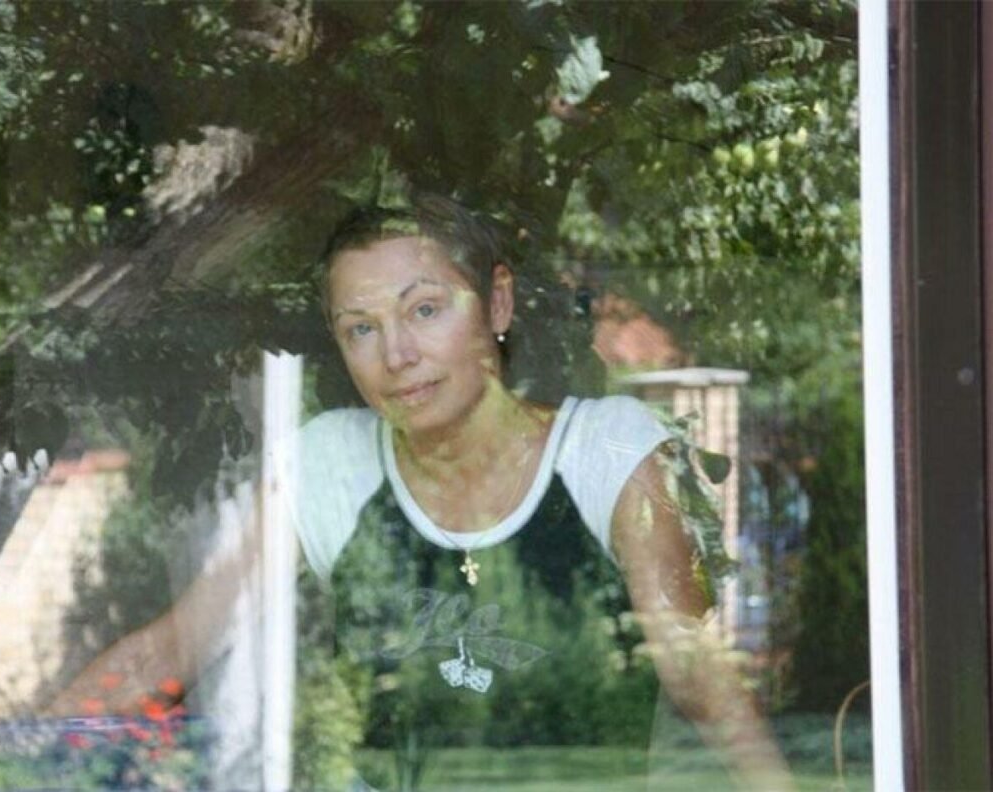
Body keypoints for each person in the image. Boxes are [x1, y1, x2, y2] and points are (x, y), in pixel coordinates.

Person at [280, 193, 792, 790]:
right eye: (362, 328)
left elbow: (694, 673)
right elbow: (207, 627)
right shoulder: (330, 460)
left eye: (425, 309)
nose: (397, 355)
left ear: (498, 302)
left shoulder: (605, 451)